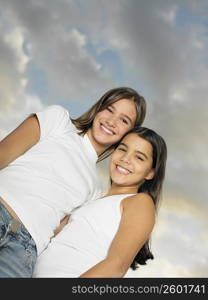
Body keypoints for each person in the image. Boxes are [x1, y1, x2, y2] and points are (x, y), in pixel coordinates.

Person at [0, 87, 146, 277]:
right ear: (98, 109)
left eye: (124, 120)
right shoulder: (59, 120)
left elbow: (60, 233)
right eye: (109, 109)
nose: (112, 121)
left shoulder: (96, 190)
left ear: (129, 132)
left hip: (25, 248)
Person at [33, 126, 167, 278]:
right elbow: (49, 236)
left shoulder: (140, 202)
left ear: (150, 172)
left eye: (139, 157)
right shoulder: (92, 198)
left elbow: (116, 266)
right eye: (123, 149)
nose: (125, 158)